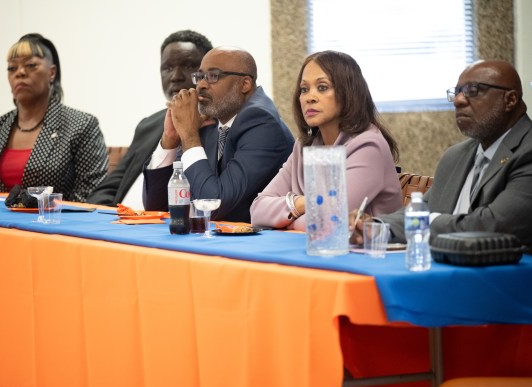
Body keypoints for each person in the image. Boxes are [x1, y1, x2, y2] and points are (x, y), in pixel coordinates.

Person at [350, 59, 532, 250]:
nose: (458, 100)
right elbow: (421, 212)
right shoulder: (455, 156)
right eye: (457, 92)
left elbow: (493, 226)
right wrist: (376, 227)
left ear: (510, 100)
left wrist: (428, 222)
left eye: (473, 90)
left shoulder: (526, 151)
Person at [250, 51, 402, 230]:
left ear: (348, 92)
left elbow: (326, 222)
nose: (309, 97)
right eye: (304, 89)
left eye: (322, 87)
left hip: (364, 253)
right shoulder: (303, 146)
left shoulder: (369, 146)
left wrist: (283, 220)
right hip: (309, 250)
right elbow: (257, 211)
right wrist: (303, 203)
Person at [142, 46, 295, 222]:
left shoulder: (261, 122)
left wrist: (190, 136)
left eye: (213, 76)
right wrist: (170, 139)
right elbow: (156, 207)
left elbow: (214, 206)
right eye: (199, 77)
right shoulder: (210, 120)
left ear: (244, 84)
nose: (201, 85)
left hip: (251, 243)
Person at [87, 30, 213, 208]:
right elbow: (111, 187)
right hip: (118, 223)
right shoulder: (149, 124)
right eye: (167, 68)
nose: (175, 76)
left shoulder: (218, 127)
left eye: (188, 66)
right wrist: (97, 218)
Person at [0, 33, 108, 202]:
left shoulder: (81, 125)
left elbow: (92, 193)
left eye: (31, 65)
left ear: (52, 73)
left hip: (56, 225)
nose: (20, 73)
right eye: (12, 68)